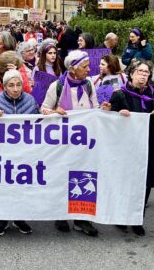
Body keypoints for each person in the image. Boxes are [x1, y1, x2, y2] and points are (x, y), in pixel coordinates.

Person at [109, 60, 154, 236]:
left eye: (147, 73)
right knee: (125, 181)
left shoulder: (153, 96)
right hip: (126, 147)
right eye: (140, 71)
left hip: (149, 146)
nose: (144, 75)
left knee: (144, 183)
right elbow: (107, 120)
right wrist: (117, 115)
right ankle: (121, 217)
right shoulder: (120, 95)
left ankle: (138, 219)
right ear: (131, 73)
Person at [41, 50, 99, 237]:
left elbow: (95, 109)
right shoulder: (56, 86)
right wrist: (55, 111)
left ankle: (81, 219)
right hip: (62, 142)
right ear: (73, 69)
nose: (89, 69)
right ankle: (61, 215)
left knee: (84, 176)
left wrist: (104, 112)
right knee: (62, 176)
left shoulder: (89, 85)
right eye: (85, 67)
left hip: (84, 143)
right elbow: (43, 110)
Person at [0, 70, 39, 236]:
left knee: (22, 186)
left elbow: (39, 124)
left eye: (18, 85)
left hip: (25, 153)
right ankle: (2, 220)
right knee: (3, 187)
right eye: (11, 85)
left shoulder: (30, 100)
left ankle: (19, 218)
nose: (15, 89)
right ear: (4, 87)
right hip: (3, 153)